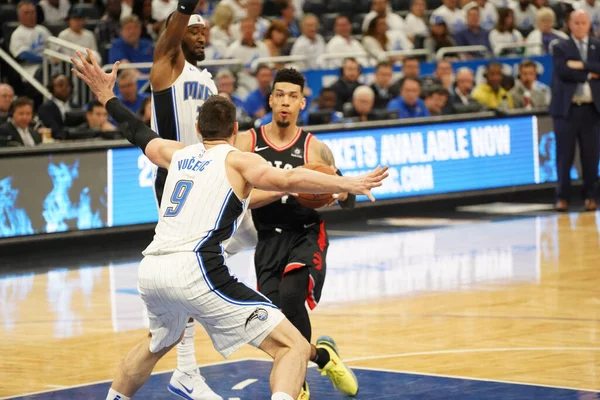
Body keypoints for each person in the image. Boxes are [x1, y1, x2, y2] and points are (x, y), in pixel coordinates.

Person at [70, 50, 387, 400]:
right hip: (197, 270)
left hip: (151, 268)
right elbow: (291, 179)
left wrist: (107, 97)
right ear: (235, 130)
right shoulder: (239, 160)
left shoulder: (177, 153)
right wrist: (350, 184)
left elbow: (137, 131)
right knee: (293, 347)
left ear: (197, 129)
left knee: (156, 344)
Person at [233, 68, 362, 399]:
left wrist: (340, 193)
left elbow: (348, 198)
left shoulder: (315, 149)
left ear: (302, 103)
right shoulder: (248, 142)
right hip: (266, 239)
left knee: (292, 296)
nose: (286, 102)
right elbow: (234, 194)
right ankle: (323, 357)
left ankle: (298, 383)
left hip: (305, 233)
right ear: (271, 99)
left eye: (293, 96)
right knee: (276, 324)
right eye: (280, 95)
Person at [148, 8, 221, 400]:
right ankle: (186, 368)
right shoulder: (167, 69)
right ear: (176, 35)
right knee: (188, 271)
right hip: (177, 178)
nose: (201, 37)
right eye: (193, 31)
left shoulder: (207, 80)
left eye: (204, 31)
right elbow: (166, 43)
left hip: (208, 178)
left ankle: (184, 362)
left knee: (208, 260)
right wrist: (184, 8)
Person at [549, 9, 600, 212]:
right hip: (567, 110)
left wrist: (581, 65)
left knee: (591, 156)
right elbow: (563, 71)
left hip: (592, 110)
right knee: (564, 156)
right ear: (569, 24)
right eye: (576, 23)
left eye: (584, 22)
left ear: (589, 24)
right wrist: (591, 73)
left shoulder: (598, 45)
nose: (580, 26)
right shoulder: (560, 46)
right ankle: (562, 197)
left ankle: (590, 196)